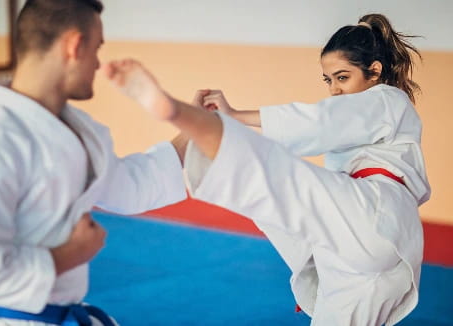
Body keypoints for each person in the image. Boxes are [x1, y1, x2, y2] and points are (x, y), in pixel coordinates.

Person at [105, 13, 430, 326]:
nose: (334, 89)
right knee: (275, 208)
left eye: (343, 77)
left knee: (278, 179)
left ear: (374, 70)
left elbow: (321, 121)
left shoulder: (387, 99)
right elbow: (323, 123)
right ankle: (207, 132)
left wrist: (235, 116)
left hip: (372, 213)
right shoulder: (366, 111)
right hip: (367, 251)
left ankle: (197, 124)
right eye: (329, 80)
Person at [0, 0, 188, 325]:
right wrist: (71, 254)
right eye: (96, 49)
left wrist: (192, 133)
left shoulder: (80, 128)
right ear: (74, 45)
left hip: (63, 312)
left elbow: (127, 187)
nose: (97, 64)